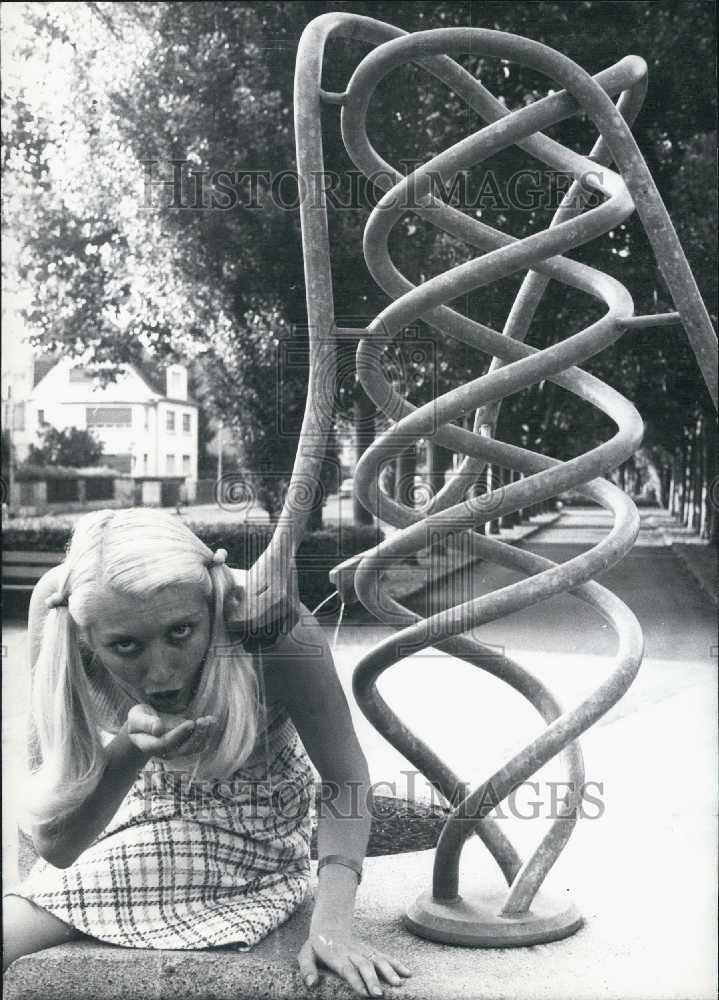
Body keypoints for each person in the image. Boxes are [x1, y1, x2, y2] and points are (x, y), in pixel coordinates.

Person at [3, 507, 411, 998]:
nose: (161, 674)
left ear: (211, 603)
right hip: (127, 801)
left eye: (181, 631)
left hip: (249, 822)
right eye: (125, 646)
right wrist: (131, 746)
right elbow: (55, 843)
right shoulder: (60, 608)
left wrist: (331, 924)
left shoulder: (270, 628)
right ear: (87, 636)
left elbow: (346, 778)